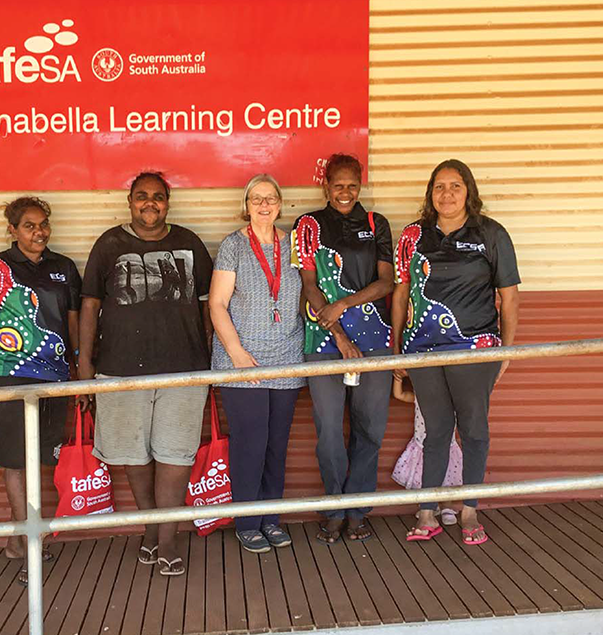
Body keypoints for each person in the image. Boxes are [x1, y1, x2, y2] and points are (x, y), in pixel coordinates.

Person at [78, 171, 214, 577]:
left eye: (158, 196)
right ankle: (152, 530)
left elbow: (210, 306)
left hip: (184, 369)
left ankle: (167, 540)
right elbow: (89, 306)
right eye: (142, 196)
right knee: (134, 457)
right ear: (130, 202)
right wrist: (85, 363)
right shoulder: (109, 244)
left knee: (175, 455)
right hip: (119, 370)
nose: (149, 203)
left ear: (168, 202)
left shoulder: (189, 243)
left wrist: (209, 356)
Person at [392, 159, 520, 546]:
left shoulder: (490, 234)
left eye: (455, 186)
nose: (446, 194)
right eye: (439, 187)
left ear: (469, 191)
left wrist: (506, 352)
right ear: (430, 194)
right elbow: (400, 295)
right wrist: (398, 349)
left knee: (474, 431)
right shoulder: (414, 235)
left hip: (474, 347)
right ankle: (427, 511)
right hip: (424, 350)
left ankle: (469, 510)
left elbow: (509, 298)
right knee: (435, 431)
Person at [0, 196, 81, 582]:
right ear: (13, 230)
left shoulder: (63, 268)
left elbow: (73, 326)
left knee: (39, 460)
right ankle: (28, 540)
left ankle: (22, 537)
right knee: (16, 461)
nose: (39, 232)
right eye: (29, 225)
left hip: (53, 379)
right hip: (9, 378)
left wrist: (77, 374)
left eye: (43, 224)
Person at [291, 153, 394, 544]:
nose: (346, 192)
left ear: (360, 185)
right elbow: (309, 285)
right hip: (324, 340)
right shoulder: (309, 225)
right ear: (326, 186)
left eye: (353, 185)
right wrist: (338, 333)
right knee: (330, 431)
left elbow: (386, 282)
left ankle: (358, 509)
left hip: (374, 338)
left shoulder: (375, 224)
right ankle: (334, 508)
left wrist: (345, 305)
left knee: (369, 429)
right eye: (339, 185)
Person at [208, 174, 305, 553]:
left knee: (276, 444)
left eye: (270, 199)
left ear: (280, 204)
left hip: (286, 355)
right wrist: (234, 352)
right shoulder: (234, 245)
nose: (264, 205)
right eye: (256, 199)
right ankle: (248, 522)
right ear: (246, 206)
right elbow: (217, 303)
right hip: (242, 357)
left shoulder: (294, 243)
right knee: (251, 442)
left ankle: (271, 518)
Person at [390, 375, 461, 526]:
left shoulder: (453, 399)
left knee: (447, 476)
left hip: (446, 445)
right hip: (422, 444)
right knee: (424, 476)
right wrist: (398, 378)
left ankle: (447, 506)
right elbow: (399, 394)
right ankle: (429, 506)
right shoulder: (420, 397)